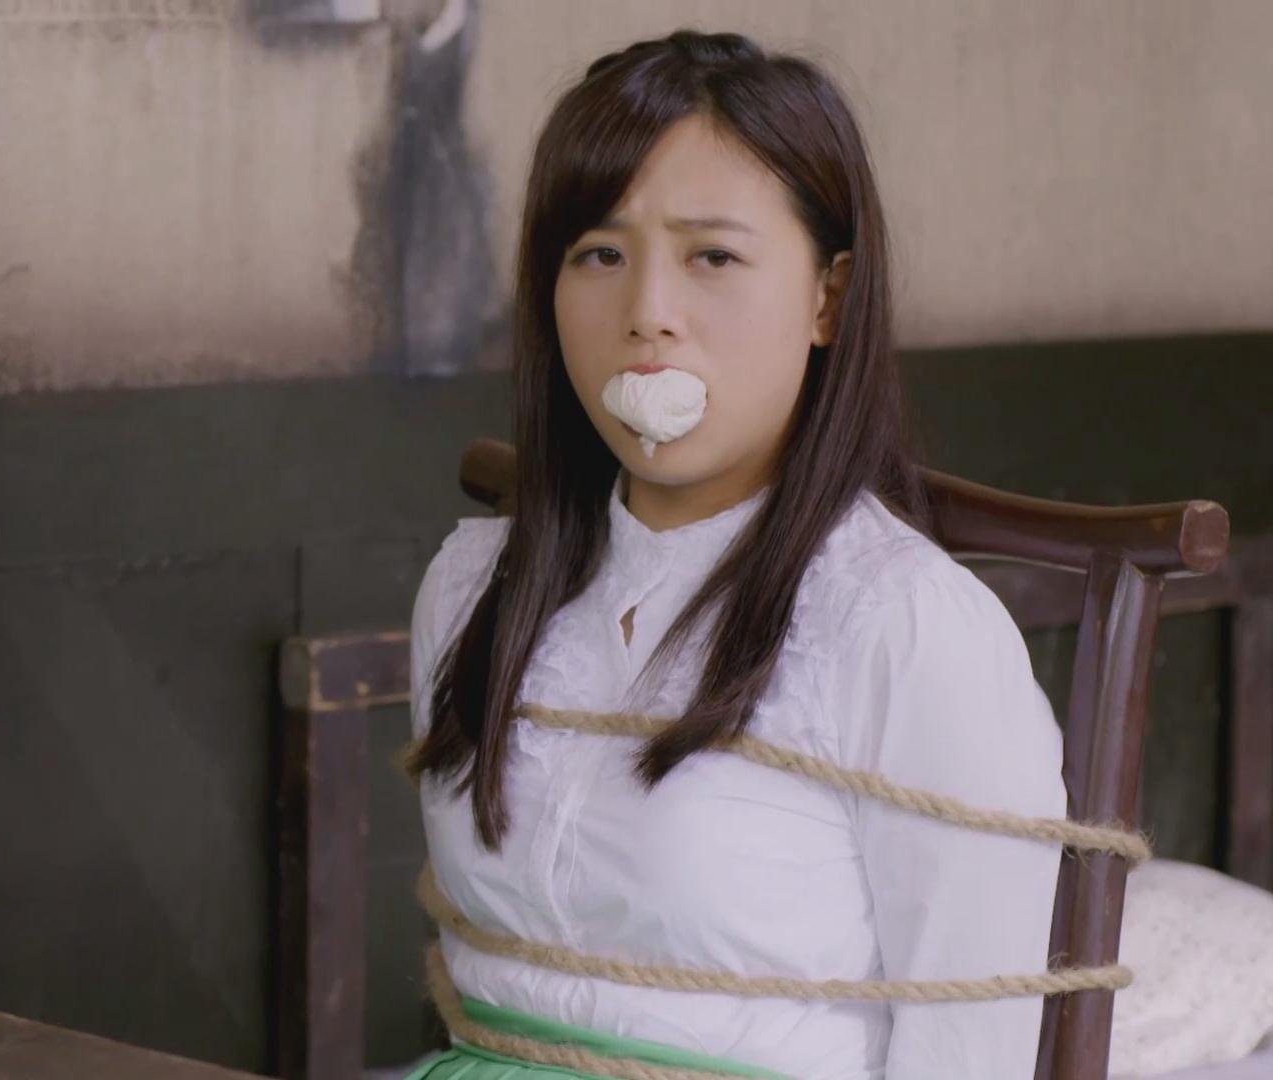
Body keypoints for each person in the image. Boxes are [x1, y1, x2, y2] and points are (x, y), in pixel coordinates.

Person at [401, 28, 1068, 1080]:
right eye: (599, 255)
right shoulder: (473, 587)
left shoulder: (906, 629)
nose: (647, 316)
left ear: (828, 299)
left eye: (712, 257)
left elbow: (969, 1052)